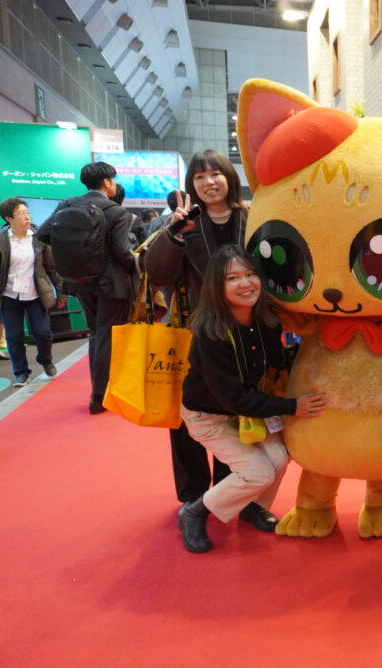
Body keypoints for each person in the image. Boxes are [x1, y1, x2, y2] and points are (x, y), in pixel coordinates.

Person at [177, 245, 327, 553]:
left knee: (280, 458)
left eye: (250, 275)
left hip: (247, 409)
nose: (245, 284)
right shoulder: (211, 333)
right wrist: (292, 407)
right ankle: (195, 511)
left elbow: (275, 364)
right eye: (233, 278)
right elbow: (233, 398)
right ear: (217, 287)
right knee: (257, 472)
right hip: (210, 416)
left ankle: (252, 507)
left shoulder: (266, 321)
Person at [143, 151, 248, 514]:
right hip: (195, 331)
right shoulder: (184, 223)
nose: (209, 182)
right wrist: (173, 233)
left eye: (216, 173)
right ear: (191, 185)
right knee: (189, 412)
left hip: (244, 331)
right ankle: (191, 495)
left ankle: (227, 490)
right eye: (200, 177)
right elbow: (157, 274)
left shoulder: (250, 218)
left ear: (229, 178)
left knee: (236, 412)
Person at [37, 161, 138, 413]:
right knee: (106, 336)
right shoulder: (116, 211)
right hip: (110, 283)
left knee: (96, 334)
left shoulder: (68, 204)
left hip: (79, 282)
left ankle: (99, 392)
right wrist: (138, 265)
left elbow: (43, 233)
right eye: (113, 180)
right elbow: (122, 251)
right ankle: (100, 396)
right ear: (107, 182)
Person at [0, 198, 65, 386]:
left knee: (42, 332)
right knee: (14, 335)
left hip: (36, 293)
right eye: (21, 214)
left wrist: (60, 292)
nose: (27, 217)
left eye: (27, 213)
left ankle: (46, 360)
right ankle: (21, 372)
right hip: (8, 295)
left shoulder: (38, 237)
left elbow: (51, 267)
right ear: (9, 218)